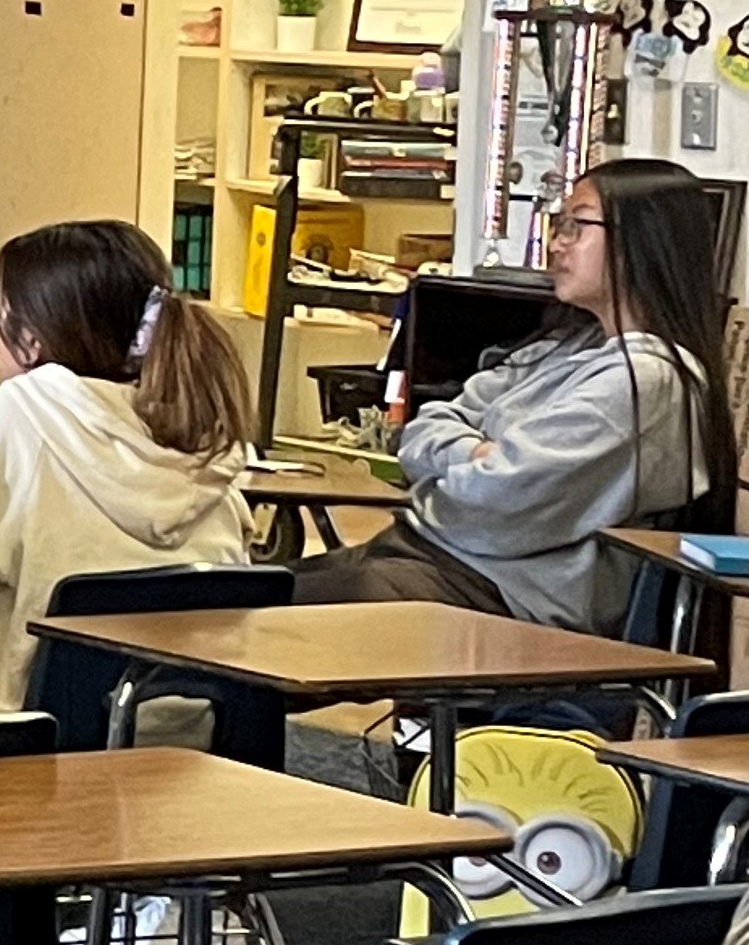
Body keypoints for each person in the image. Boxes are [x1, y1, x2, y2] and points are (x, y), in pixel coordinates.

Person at [296, 158, 737, 627]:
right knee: (237, 592)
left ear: (642, 241)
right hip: (432, 554)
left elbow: (495, 502)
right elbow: (423, 428)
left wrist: (463, 467)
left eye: (576, 226)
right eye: (558, 224)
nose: (555, 243)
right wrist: (478, 453)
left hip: (498, 592)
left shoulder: (648, 381)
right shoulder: (566, 346)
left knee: (255, 625)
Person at [0, 220, 257, 721]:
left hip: (36, 765)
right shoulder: (202, 433)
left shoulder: (13, 418)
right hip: (199, 758)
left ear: (30, 342)